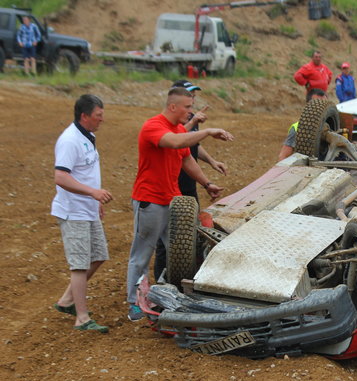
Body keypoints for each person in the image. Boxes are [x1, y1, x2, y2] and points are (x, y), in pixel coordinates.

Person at [126, 87, 234, 321]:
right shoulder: (153, 126)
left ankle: (169, 297)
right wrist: (205, 131)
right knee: (142, 254)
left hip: (173, 201)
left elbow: (185, 159)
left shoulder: (176, 129)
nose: (190, 111)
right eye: (187, 107)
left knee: (180, 251)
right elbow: (174, 144)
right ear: (172, 107)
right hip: (150, 200)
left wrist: (207, 183)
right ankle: (134, 303)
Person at [153, 80, 228, 281]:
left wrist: (211, 162)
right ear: (175, 102)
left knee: (190, 231)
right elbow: (178, 140)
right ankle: (163, 280)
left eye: (193, 95)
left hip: (188, 182)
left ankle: (187, 275)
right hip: (173, 182)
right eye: (189, 96)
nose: (192, 99)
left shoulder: (188, 119)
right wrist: (197, 124)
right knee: (168, 237)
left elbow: (192, 147)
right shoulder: (172, 123)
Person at [51, 94, 112, 333]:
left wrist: (94, 199)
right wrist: (93, 193)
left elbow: (84, 172)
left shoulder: (88, 136)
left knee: (99, 255)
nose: (102, 120)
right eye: (98, 115)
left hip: (86, 209)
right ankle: (82, 318)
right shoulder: (69, 140)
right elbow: (61, 176)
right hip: (73, 211)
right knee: (78, 265)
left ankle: (66, 301)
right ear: (85, 116)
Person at [278, 89, 326, 161]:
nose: (320, 108)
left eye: (324, 104)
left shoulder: (336, 125)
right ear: (308, 106)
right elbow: (283, 157)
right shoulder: (298, 128)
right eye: (316, 104)